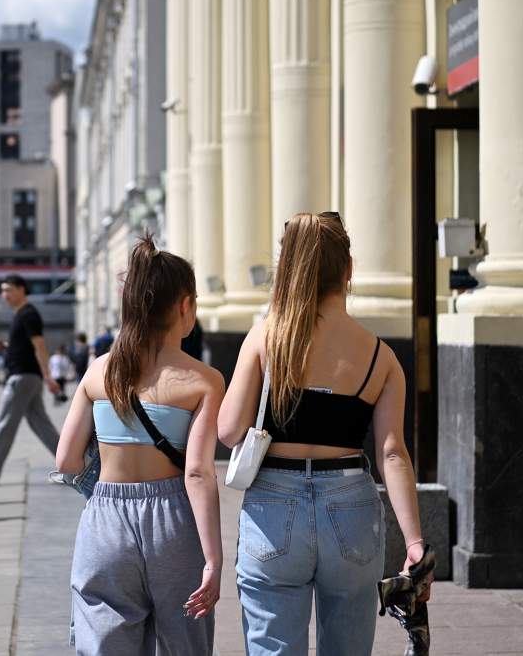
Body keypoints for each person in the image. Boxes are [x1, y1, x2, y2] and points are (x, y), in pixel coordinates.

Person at [216, 212, 429, 655]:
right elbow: (393, 454)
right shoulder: (381, 356)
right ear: (348, 270)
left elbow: (229, 430)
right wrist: (414, 543)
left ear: (289, 267)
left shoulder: (265, 338)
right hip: (351, 507)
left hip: (273, 506)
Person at [57, 236, 224, 655]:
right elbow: (199, 473)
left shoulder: (99, 372)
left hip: (105, 519)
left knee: (104, 641)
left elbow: (66, 459)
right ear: (185, 305)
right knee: (184, 643)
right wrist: (213, 560)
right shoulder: (203, 380)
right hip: (173, 521)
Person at [0, 275, 62, 487]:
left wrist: (48, 376)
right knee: (42, 426)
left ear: (21, 290)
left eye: (8, 290)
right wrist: (7, 347)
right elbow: (26, 347)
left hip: (22, 378)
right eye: (2, 290)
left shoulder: (28, 314)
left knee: (4, 424)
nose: (4, 295)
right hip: (28, 377)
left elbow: (40, 346)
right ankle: (72, 467)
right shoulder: (22, 315)